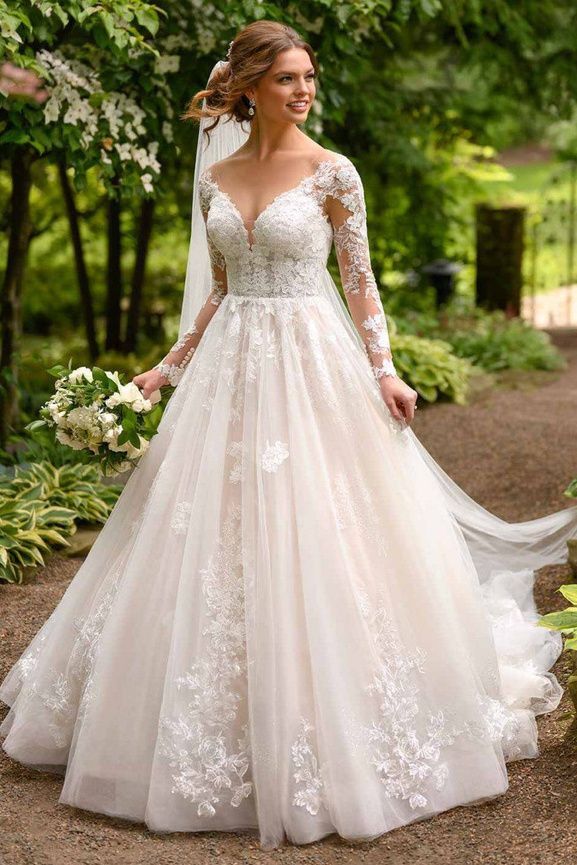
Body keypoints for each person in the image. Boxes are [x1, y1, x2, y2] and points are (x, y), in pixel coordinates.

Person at [1, 20, 577, 853]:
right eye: (286, 80)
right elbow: (220, 290)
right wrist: (163, 369)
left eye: (308, 77)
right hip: (230, 370)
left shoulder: (332, 172)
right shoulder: (217, 179)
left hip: (313, 368)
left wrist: (383, 368)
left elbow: (359, 279)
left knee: (328, 530)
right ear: (246, 86)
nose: (303, 91)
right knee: (207, 533)